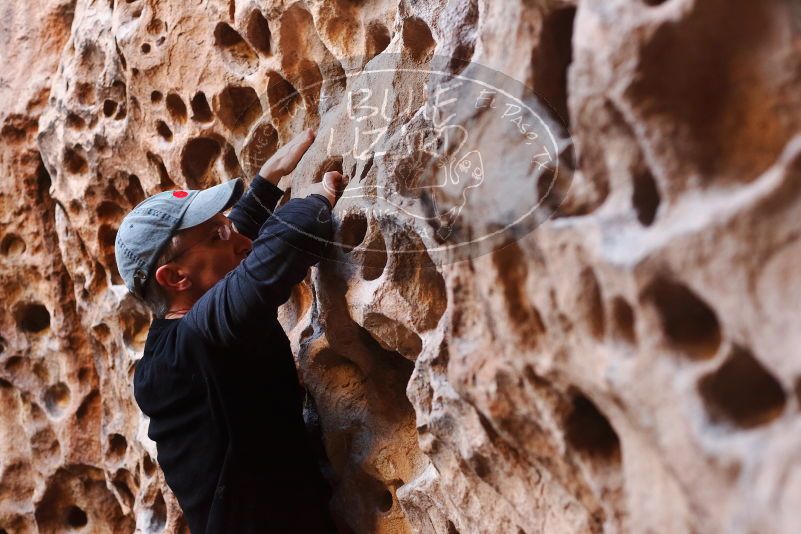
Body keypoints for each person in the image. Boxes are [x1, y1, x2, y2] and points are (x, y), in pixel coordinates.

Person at [114, 128, 349, 533]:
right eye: (218, 234)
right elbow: (283, 246)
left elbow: (232, 242)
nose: (240, 241)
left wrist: (268, 180)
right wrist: (319, 199)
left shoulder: (181, 322)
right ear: (174, 278)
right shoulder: (198, 341)